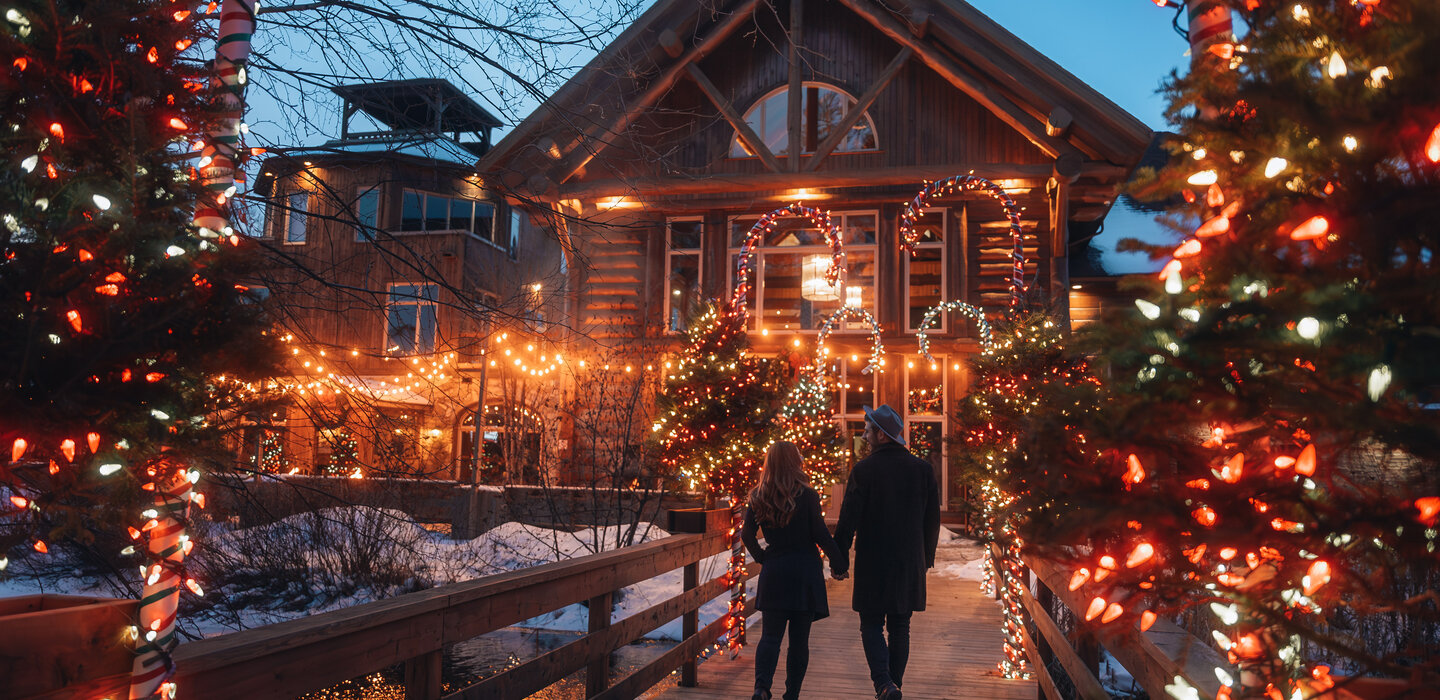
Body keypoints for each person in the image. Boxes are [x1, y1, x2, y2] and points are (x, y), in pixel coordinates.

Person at [833, 404, 941, 700]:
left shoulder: (864, 471)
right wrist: (926, 558)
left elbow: (848, 519)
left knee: (870, 623)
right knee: (900, 626)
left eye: (868, 431)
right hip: (908, 562)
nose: (864, 436)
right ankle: (892, 685)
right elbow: (933, 520)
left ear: (881, 435)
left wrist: (839, 558)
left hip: (873, 561)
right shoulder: (922, 470)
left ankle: (884, 683)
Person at [742, 441, 848, 700]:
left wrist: (764, 558)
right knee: (798, 642)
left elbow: (747, 534)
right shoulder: (808, 495)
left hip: (775, 571)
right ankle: (792, 694)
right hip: (804, 575)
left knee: (770, 637)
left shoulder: (759, 495)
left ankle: (761, 688)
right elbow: (820, 533)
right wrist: (839, 562)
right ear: (794, 462)